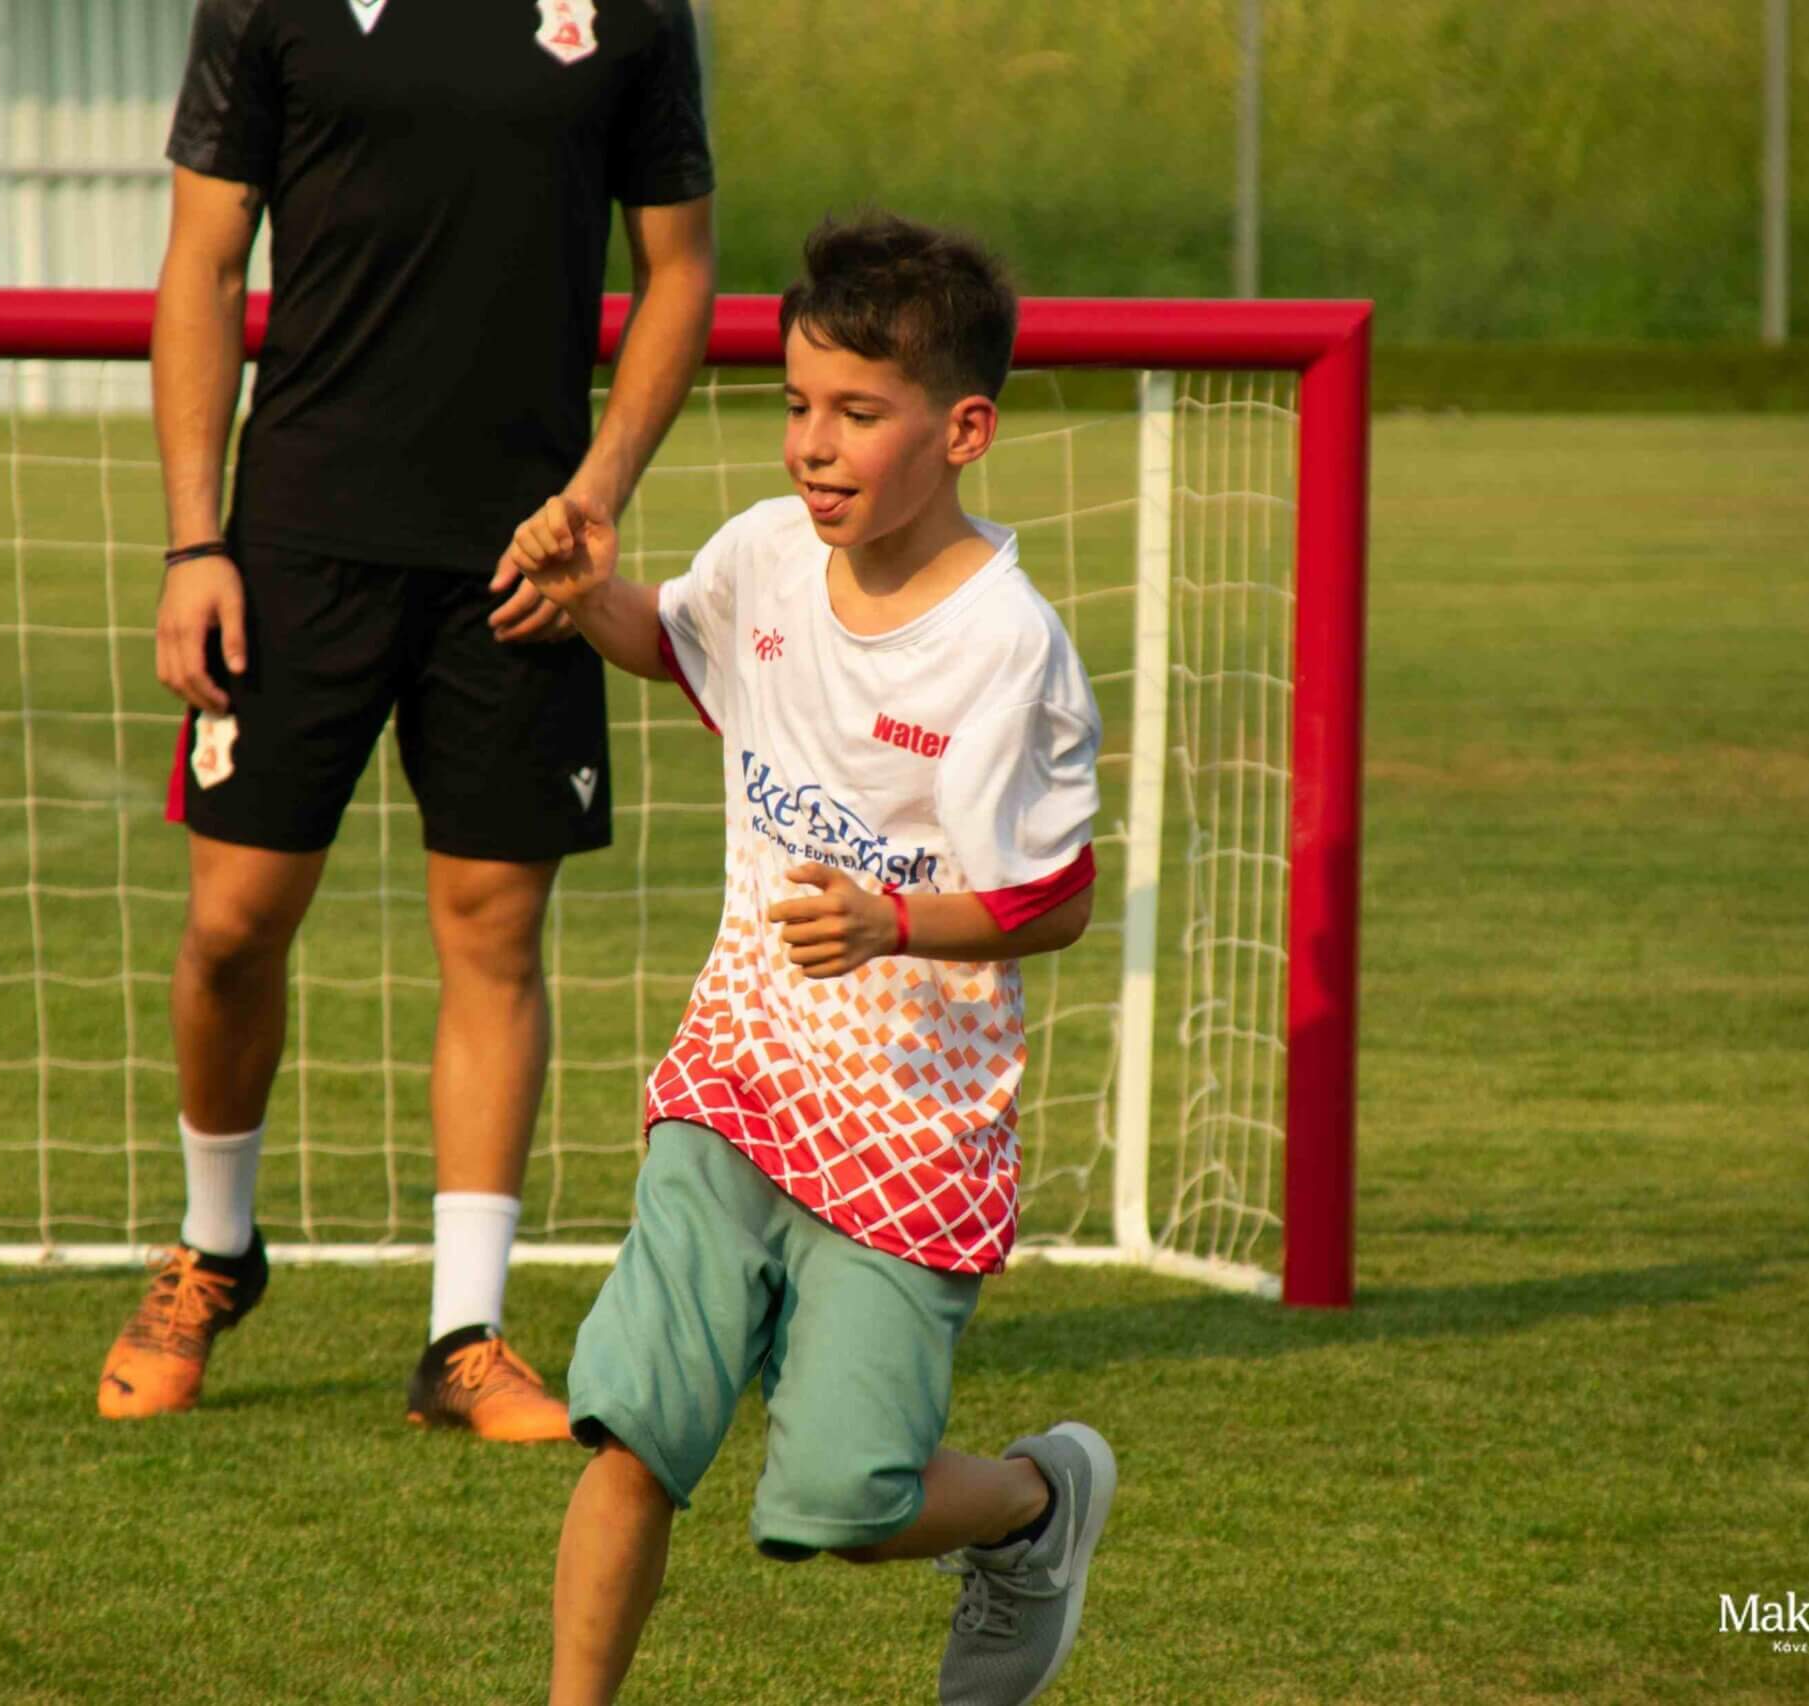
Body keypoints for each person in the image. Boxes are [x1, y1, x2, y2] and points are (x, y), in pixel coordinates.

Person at [504, 213, 1119, 1706]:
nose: (813, 447)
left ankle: (1036, 1505)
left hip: (914, 1120)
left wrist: (894, 922)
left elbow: (1055, 900)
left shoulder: (1007, 648)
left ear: (963, 431)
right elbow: (673, 642)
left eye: (858, 412)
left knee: (843, 1502)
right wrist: (587, 595)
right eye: (796, 404)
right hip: (742, 1072)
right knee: (635, 1424)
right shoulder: (767, 556)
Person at [96, 0, 717, 1442]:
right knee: (233, 924)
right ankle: (214, 1248)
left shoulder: (633, 8)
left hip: (519, 557)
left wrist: (595, 497)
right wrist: (195, 541)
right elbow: (204, 261)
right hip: (294, 546)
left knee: (495, 932)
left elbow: (680, 270)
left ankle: (463, 1336)